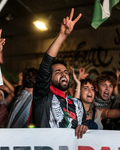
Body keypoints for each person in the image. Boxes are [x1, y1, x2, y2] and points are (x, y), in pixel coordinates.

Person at [32, 8, 88, 139]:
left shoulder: (77, 104)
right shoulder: (43, 98)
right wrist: (63, 35)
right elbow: (46, 65)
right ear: (49, 78)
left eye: (65, 72)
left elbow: (84, 127)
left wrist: (84, 127)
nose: (63, 74)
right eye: (58, 72)